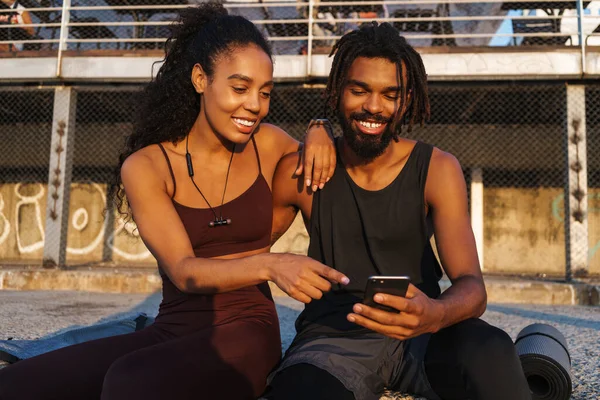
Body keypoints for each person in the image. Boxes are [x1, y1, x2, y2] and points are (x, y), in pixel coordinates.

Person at [0, 4, 349, 400]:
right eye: (240, 88)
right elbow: (184, 272)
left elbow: (326, 167)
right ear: (200, 78)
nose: (254, 104)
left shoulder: (267, 145)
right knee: (14, 385)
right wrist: (272, 264)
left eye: (265, 92)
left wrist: (320, 126)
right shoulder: (147, 166)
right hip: (172, 328)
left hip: (248, 330)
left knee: (129, 382)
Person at [264, 22, 532, 400]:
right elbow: (246, 253)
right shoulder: (302, 170)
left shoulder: (438, 168)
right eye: (359, 90)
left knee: (492, 349)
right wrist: (276, 266)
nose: (374, 106)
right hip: (333, 340)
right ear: (336, 92)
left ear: (406, 101)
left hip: (422, 332)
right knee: (300, 390)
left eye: (390, 94)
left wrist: (435, 314)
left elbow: (473, 287)